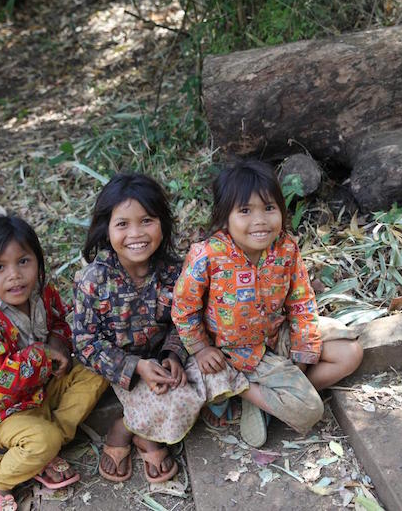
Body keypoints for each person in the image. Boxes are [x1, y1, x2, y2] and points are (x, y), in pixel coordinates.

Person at [172, 160, 363, 447]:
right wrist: (200, 348)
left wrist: (304, 350)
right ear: (225, 218)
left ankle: (266, 402)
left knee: (351, 353)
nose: (260, 220)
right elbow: (183, 307)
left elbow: (301, 301)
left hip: (278, 335)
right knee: (311, 410)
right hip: (238, 354)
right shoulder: (207, 255)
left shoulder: (286, 248)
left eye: (269, 208)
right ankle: (241, 388)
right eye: (245, 211)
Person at [72, 174, 246, 483]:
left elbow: (186, 318)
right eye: (122, 224)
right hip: (126, 371)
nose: (136, 233)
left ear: (162, 224)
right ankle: (126, 428)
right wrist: (137, 367)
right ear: (106, 228)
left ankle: (142, 425)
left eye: (147, 220)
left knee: (220, 368)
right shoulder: (93, 281)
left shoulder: (174, 271)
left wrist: (173, 356)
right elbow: (86, 344)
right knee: (175, 398)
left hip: (169, 361)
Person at [0, 216, 107, 511]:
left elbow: (60, 322)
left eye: (23, 261)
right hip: (2, 411)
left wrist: (60, 343)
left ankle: (47, 446)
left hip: (44, 389)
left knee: (95, 372)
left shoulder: (42, 293)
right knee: (42, 439)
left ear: (37, 260)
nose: (15, 275)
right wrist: (43, 354)